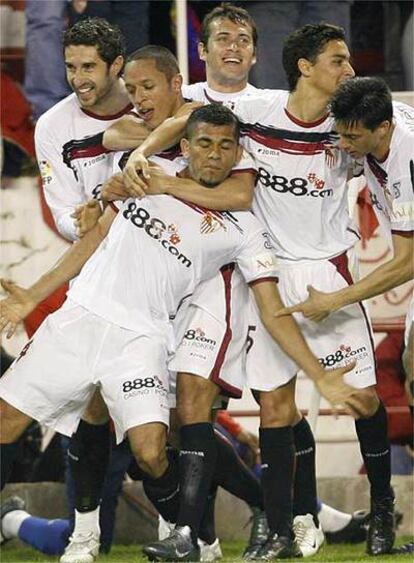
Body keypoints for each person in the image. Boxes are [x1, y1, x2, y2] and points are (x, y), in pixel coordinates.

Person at [0, 104, 357, 563]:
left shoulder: (245, 230)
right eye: (204, 143)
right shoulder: (146, 177)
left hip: (144, 337)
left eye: (226, 146)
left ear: (237, 154)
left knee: (151, 450)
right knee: (8, 421)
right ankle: (114, 538)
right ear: (185, 147)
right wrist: (31, 295)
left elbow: (272, 310)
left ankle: (190, 537)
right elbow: (90, 242)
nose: (214, 155)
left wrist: (319, 375)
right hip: (82, 317)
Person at [120, 24, 396, 560]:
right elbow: (185, 120)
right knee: (275, 405)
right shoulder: (260, 113)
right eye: (338, 61)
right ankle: (278, 530)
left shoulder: (349, 129)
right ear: (305, 67)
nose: (349, 70)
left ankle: (381, 508)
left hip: (329, 273)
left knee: (363, 401)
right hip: (268, 272)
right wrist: (143, 153)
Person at [275, 77, 413, 326]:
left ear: (382, 128)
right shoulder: (383, 114)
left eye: (352, 137)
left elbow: (407, 263)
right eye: (340, 134)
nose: (343, 145)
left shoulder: (407, 165)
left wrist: (333, 300)